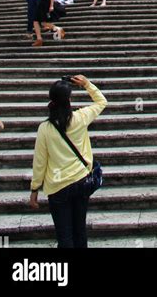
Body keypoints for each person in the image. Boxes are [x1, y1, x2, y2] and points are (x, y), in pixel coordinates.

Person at [29, 75, 107, 248]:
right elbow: (101, 102)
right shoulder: (80, 118)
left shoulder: (45, 128)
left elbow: (40, 161)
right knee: (80, 230)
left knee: (65, 235)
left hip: (57, 187)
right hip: (81, 181)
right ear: (69, 100)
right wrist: (87, 84)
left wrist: (35, 188)